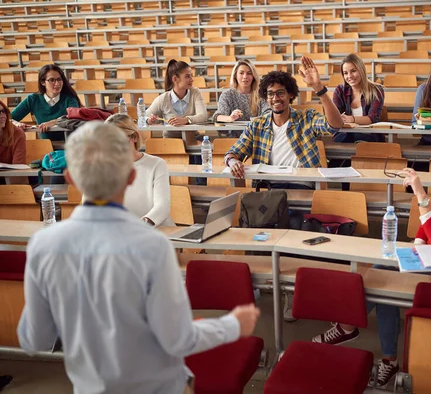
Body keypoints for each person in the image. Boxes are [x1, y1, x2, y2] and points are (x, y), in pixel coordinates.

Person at [17, 122, 260, 394]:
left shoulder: (44, 244)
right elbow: (177, 340)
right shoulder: (152, 246)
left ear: (71, 178)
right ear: (131, 177)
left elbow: (35, 339)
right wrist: (232, 325)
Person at [313, 124, 431, 389]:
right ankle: (386, 356)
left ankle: (349, 325)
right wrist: (418, 242)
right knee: (385, 274)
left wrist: (420, 193)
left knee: (383, 275)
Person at [224, 56, 344, 189]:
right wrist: (233, 161)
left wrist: (318, 87)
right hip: (269, 188)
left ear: (290, 95)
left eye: (280, 93)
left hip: (302, 185)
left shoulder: (306, 118)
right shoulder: (256, 126)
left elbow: (335, 125)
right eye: (270, 94)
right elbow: (232, 153)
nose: (275, 98)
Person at [106, 114, 174, 227]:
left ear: (134, 137)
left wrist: (143, 224)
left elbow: (162, 206)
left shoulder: (156, 164)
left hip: (155, 230)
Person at [11, 64, 82, 142]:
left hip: (70, 145)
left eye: (59, 79)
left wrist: (53, 122)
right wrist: (17, 124)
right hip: (47, 146)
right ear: (42, 82)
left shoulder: (70, 99)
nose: (57, 83)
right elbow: (9, 118)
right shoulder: (32, 99)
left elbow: (74, 118)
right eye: (52, 80)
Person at [146, 59, 209, 141]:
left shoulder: (195, 92)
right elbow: (142, 117)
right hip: (170, 141)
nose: (192, 79)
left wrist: (186, 120)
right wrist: (149, 120)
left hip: (193, 139)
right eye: (187, 76)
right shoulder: (163, 99)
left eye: (191, 75)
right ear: (175, 79)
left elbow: (203, 116)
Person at [332, 53, 385, 143]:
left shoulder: (376, 90)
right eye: (345, 73)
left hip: (369, 135)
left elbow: (372, 119)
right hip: (345, 135)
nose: (349, 76)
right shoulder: (339, 90)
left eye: (353, 71)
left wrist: (351, 119)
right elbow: (335, 117)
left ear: (361, 70)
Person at [213, 59, 269, 125]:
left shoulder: (260, 93)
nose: (245, 77)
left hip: (257, 134)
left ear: (253, 77)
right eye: (241, 73)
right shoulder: (227, 94)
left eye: (249, 73)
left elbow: (268, 113)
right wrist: (230, 118)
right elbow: (217, 117)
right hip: (234, 135)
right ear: (235, 75)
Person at [0, 100, 26, 165]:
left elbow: (18, 168)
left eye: (4, 111)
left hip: (9, 174)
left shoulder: (17, 133)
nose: (3, 115)